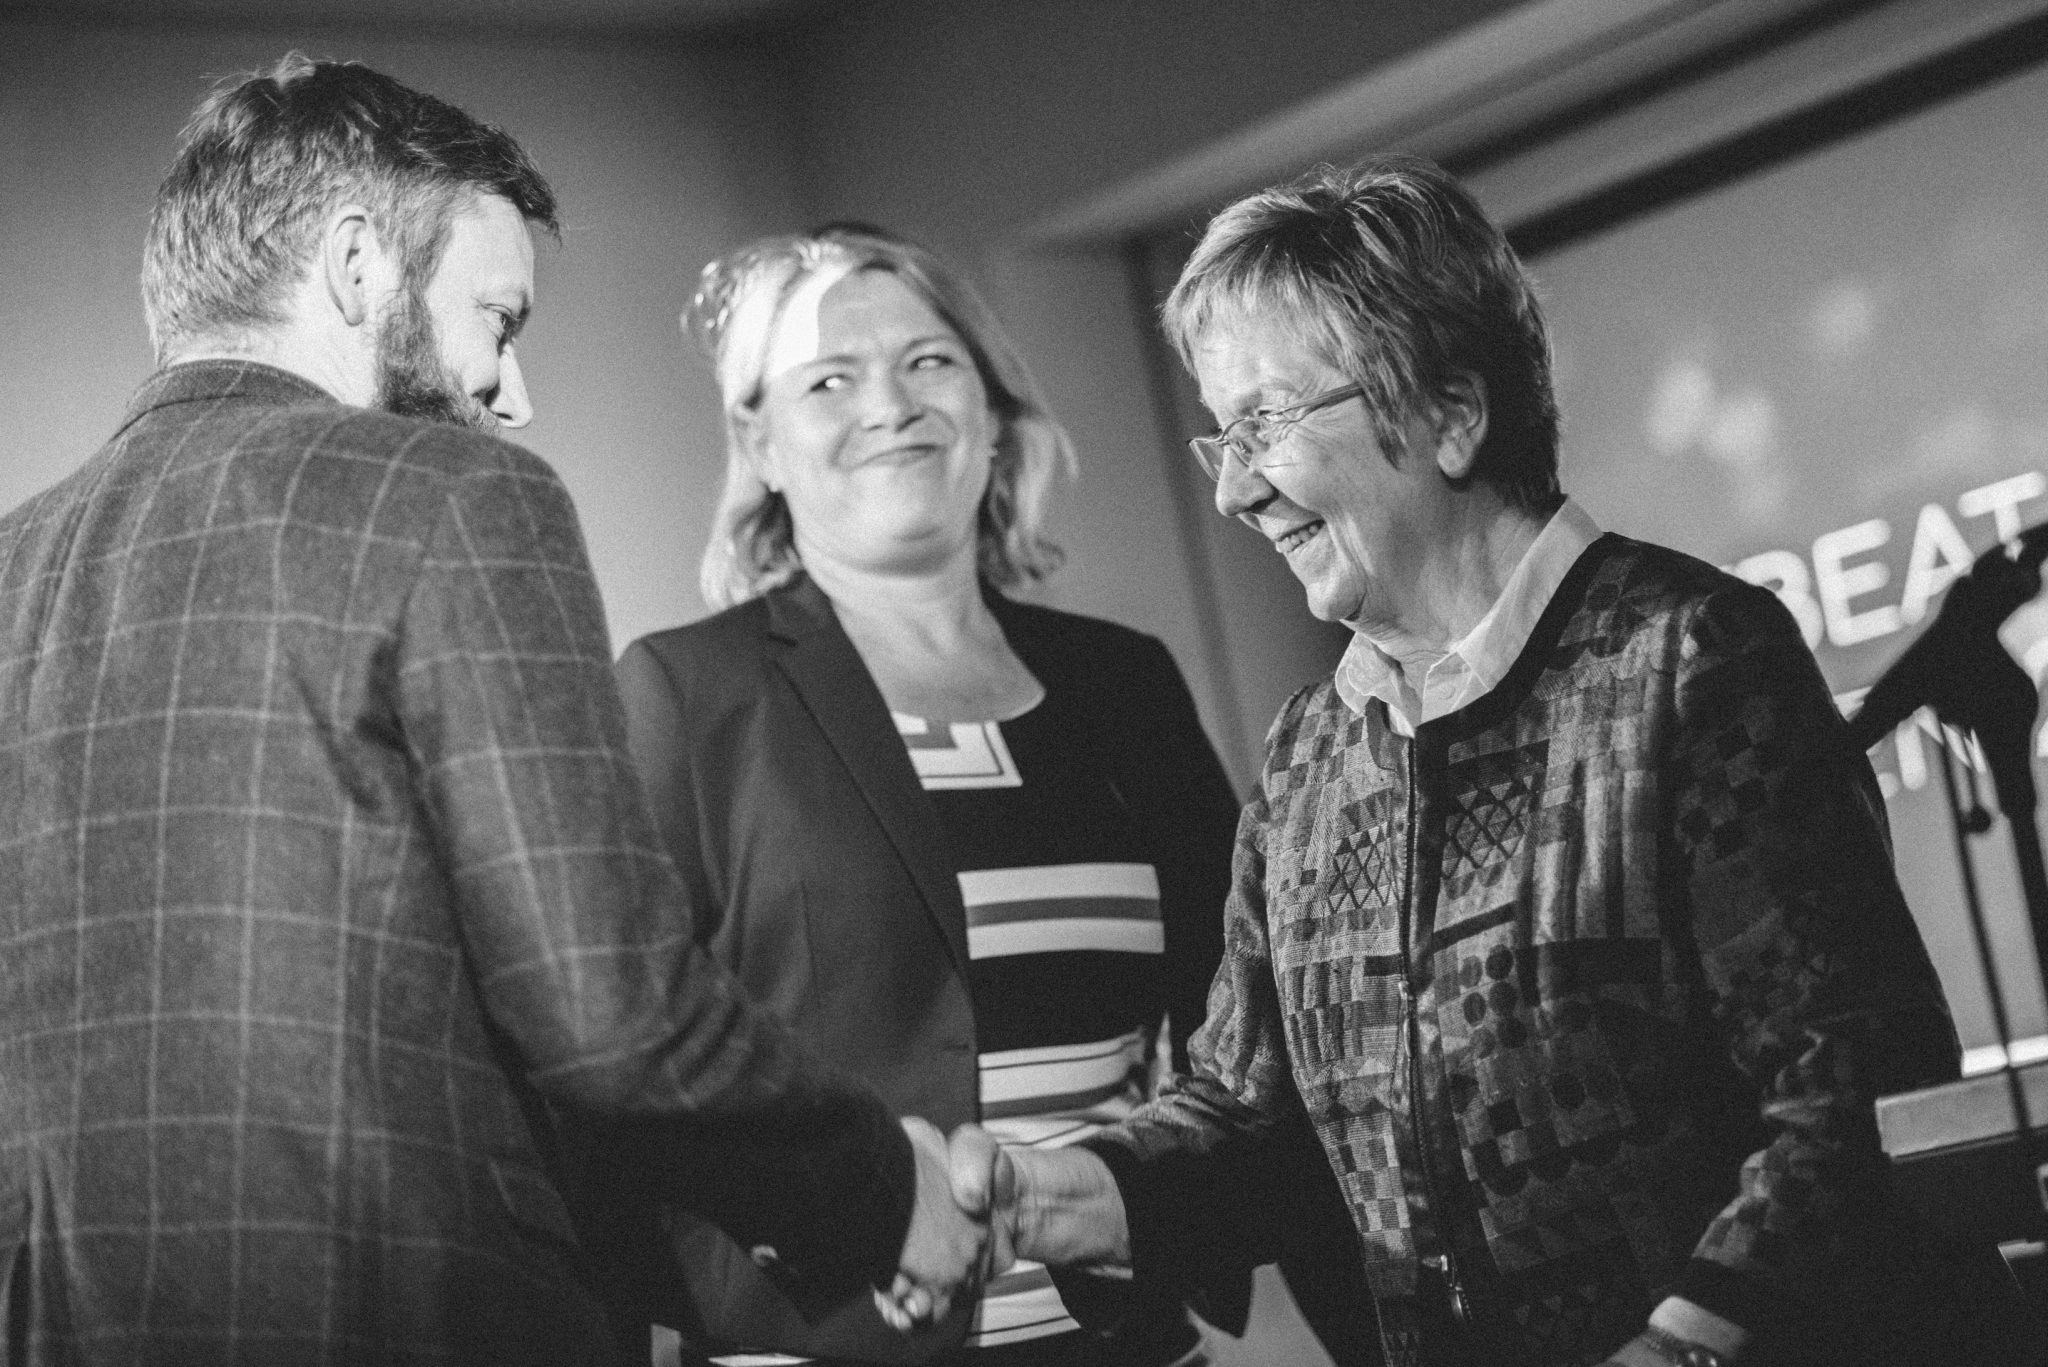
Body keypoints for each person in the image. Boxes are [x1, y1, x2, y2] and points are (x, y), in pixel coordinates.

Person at [946, 156, 2046, 1367]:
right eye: (1222, 438)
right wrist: (1064, 1192)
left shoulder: (1688, 659)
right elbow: (1249, 1117)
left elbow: (1847, 1085)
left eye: (1265, 422)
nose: (1235, 492)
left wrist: (1682, 1345)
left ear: (1451, 412)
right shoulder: (1309, 752)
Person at [0, 55, 987, 1365]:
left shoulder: (12, 569)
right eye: (499, 320)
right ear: (358, 264)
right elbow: (613, 1014)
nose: (512, 395)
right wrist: (882, 1189)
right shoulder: (455, 496)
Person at [602, 226, 1240, 1365]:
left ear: (991, 409)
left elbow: (1246, 1039)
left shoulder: (1126, 683)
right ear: (759, 440)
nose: (889, 404)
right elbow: (622, 1077)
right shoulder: (685, 696)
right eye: (829, 380)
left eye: (928, 361)